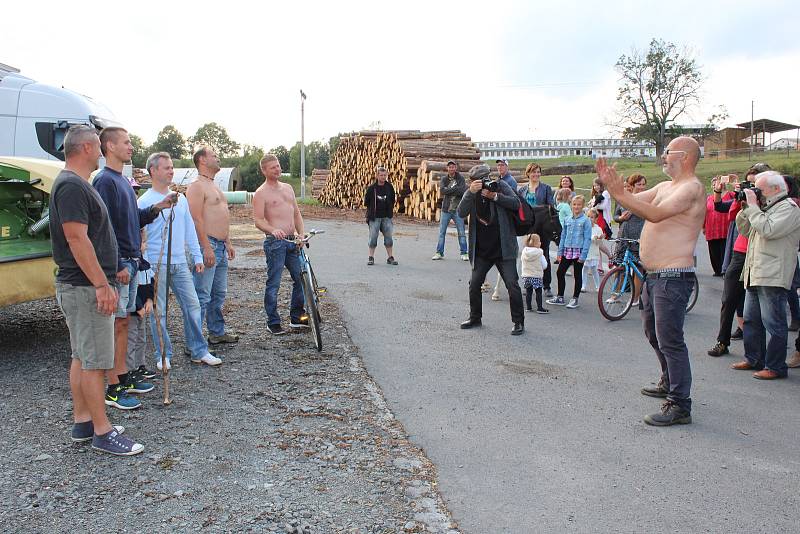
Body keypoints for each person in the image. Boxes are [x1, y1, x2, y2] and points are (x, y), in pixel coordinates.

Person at [597, 136, 706, 426]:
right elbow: (630, 205)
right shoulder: (665, 187)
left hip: (674, 275)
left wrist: (619, 192)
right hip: (655, 276)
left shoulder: (691, 188)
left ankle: (680, 404)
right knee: (653, 333)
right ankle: (668, 381)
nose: (663, 156)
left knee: (671, 340)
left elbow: (654, 214)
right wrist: (613, 189)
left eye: (668, 151)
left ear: (684, 156)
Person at [49, 124, 143, 455]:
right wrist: (102, 285)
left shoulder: (76, 184)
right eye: (97, 146)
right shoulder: (73, 186)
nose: (102, 151)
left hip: (81, 286)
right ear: (86, 148)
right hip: (86, 287)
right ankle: (103, 432)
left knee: (82, 356)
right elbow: (77, 238)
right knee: (94, 362)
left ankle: (83, 422)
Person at [93, 127, 169, 409]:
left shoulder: (124, 181)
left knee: (124, 322)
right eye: (126, 142)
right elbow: (105, 227)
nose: (131, 146)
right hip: (121, 265)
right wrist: (117, 265)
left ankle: (123, 376)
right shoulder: (104, 181)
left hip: (132, 262)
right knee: (116, 324)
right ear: (109, 146)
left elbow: (131, 218)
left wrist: (157, 208)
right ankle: (112, 387)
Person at [139, 152, 222, 367]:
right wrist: (146, 266)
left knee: (193, 305)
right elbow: (142, 237)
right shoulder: (144, 202)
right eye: (166, 167)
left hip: (179, 263)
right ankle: (163, 355)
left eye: (171, 167)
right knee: (160, 311)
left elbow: (189, 231)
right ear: (153, 171)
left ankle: (198, 350)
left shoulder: (181, 199)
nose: (171, 171)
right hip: (158, 265)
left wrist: (196, 256)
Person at [730, 170, 800, 380]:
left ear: (776, 189)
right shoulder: (764, 208)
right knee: (752, 320)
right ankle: (754, 358)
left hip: (773, 275)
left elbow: (768, 229)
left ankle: (776, 366)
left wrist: (753, 207)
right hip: (756, 272)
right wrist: (746, 207)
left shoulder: (789, 209)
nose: (755, 193)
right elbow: (744, 229)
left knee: (774, 323)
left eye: (758, 189)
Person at [458, 163, 524, 335]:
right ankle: (475, 318)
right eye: (476, 181)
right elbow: (460, 212)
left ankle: (518, 322)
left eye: (483, 179)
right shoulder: (471, 193)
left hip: (503, 248)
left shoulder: (501, 186)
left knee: (512, 285)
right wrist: (470, 192)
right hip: (482, 250)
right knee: (474, 284)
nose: (482, 183)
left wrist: (495, 197)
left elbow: (517, 204)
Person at [187, 146, 239, 345]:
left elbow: (220, 215)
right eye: (214, 156)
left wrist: (228, 241)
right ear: (202, 160)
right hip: (207, 246)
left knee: (218, 294)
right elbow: (196, 218)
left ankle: (216, 332)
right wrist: (206, 247)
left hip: (220, 246)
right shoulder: (197, 186)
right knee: (201, 295)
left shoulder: (214, 186)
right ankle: (195, 342)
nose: (218, 158)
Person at [706, 170, 761, 357]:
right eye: (748, 183)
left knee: (758, 304)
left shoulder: (771, 204)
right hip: (740, 253)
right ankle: (722, 341)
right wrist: (719, 191)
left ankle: (756, 352)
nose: (750, 188)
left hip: (760, 256)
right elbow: (722, 209)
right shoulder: (742, 201)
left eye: (754, 184)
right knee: (728, 298)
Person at [253, 154, 309, 335]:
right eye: (272, 168)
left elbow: (296, 214)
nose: (277, 170)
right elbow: (258, 220)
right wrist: (272, 230)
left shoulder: (288, 188)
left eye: (278, 166)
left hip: (293, 241)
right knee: (274, 282)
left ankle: (297, 317)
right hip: (275, 243)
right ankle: (273, 321)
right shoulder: (261, 193)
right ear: (264, 170)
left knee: (301, 278)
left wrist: (300, 234)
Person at [508, 162, 554, 299]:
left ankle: (546, 286)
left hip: (540, 227)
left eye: (538, 172)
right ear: (528, 174)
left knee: (543, 255)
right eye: (533, 172)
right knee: (525, 256)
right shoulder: (522, 190)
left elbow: (550, 207)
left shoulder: (546, 188)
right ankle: (527, 283)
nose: (536, 174)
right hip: (526, 227)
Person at [547, 195, 591, 309]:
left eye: (579, 205)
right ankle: (560, 297)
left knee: (577, 274)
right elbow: (563, 236)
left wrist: (583, 255)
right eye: (574, 204)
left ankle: (575, 298)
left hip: (579, 251)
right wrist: (560, 252)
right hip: (567, 250)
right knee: (560, 272)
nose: (576, 207)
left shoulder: (586, 220)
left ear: (583, 206)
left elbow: (587, 239)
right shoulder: (567, 219)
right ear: (571, 205)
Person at [612, 174, 647, 303]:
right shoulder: (622, 198)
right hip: (624, 233)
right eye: (639, 184)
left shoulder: (647, 198)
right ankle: (615, 295)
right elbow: (615, 216)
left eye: (644, 184)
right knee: (619, 264)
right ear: (631, 186)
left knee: (638, 267)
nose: (642, 187)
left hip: (640, 234)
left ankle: (636, 297)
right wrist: (621, 218)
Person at [432, 160, 468, 261]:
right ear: (447, 168)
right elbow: (443, 191)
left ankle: (464, 253)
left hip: (457, 209)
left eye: (453, 167)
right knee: (442, 232)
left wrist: (450, 190)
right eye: (449, 167)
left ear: (455, 168)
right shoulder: (444, 179)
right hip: (446, 209)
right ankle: (439, 252)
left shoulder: (460, 178)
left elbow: (462, 191)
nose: (451, 169)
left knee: (461, 232)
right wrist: (455, 189)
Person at [126, 263, 156, 380]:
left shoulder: (145, 264)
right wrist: (138, 306)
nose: (145, 246)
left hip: (143, 308)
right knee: (131, 340)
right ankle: (130, 369)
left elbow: (150, 282)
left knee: (141, 339)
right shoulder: (130, 265)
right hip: (133, 310)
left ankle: (140, 365)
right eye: (143, 243)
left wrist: (149, 299)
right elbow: (130, 289)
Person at [364, 166, 398, 266]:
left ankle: (390, 257)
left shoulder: (389, 187)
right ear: (377, 175)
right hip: (374, 217)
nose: (383, 177)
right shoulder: (371, 189)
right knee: (373, 237)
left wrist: (389, 211)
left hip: (386, 217)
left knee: (389, 238)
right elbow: (366, 202)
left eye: (384, 175)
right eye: (381, 175)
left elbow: (393, 200)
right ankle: (371, 257)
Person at [704, 177, 735, 276]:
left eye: (717, 184)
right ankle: (717, 270)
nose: (715, 186)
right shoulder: (709, 198)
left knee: (725, 248)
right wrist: (703, 226)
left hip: (725, 226)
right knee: (713, 250)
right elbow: (705, 212)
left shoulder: (730, 195)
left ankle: (724, 269)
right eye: (713, 185)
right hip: (711, 228)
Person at [520, 233, 549, 313]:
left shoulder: (524, 252)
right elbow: (545, 265)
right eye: (539, 241)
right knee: (538, 291)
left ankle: (528, 307)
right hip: (536, 275)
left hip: (526, 275)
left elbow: (522, 262)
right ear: (536, 243)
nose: (540, 243)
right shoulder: (539, 253)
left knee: (528, 291)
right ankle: (539, 308)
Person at [582, 208, 604, 292]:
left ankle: (598, 286)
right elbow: (584, 238)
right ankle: (583, 286)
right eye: (588, 216)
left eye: (592, 217)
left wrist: (599, 238)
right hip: (586, 252)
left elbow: (599, 243)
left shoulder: (598, 229)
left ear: (595, 219)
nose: (589, 219)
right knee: (585, 269)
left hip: (594, 252)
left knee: (594, 269)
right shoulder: (584, 227)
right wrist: (592, 238)